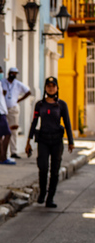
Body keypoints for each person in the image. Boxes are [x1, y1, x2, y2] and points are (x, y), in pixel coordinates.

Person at [25, 76, 74, 208]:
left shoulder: (61, 105)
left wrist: (71, 141)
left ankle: (50, 198)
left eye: (53, 86)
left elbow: (67, 124)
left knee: (55, 170)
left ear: (57, 88)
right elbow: (34, 122)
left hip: (57, 141)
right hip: (43, 140)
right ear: (46, 88)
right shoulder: (40, 105)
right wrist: (28, 141)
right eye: (48, 86)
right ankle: (42, 193)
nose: (51, 88)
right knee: (43, 167)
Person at [2, 67, 31, 159]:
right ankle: (4, 152)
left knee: (13, 131)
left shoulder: (18, 84)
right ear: (9, 73)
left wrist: (19, 100)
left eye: (15, 73)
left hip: (13, 109)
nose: (13, 75)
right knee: (4, 130)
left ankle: (13, 151)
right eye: (12, 73)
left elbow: (28, 92)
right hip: (3, 109)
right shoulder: (2, 82)